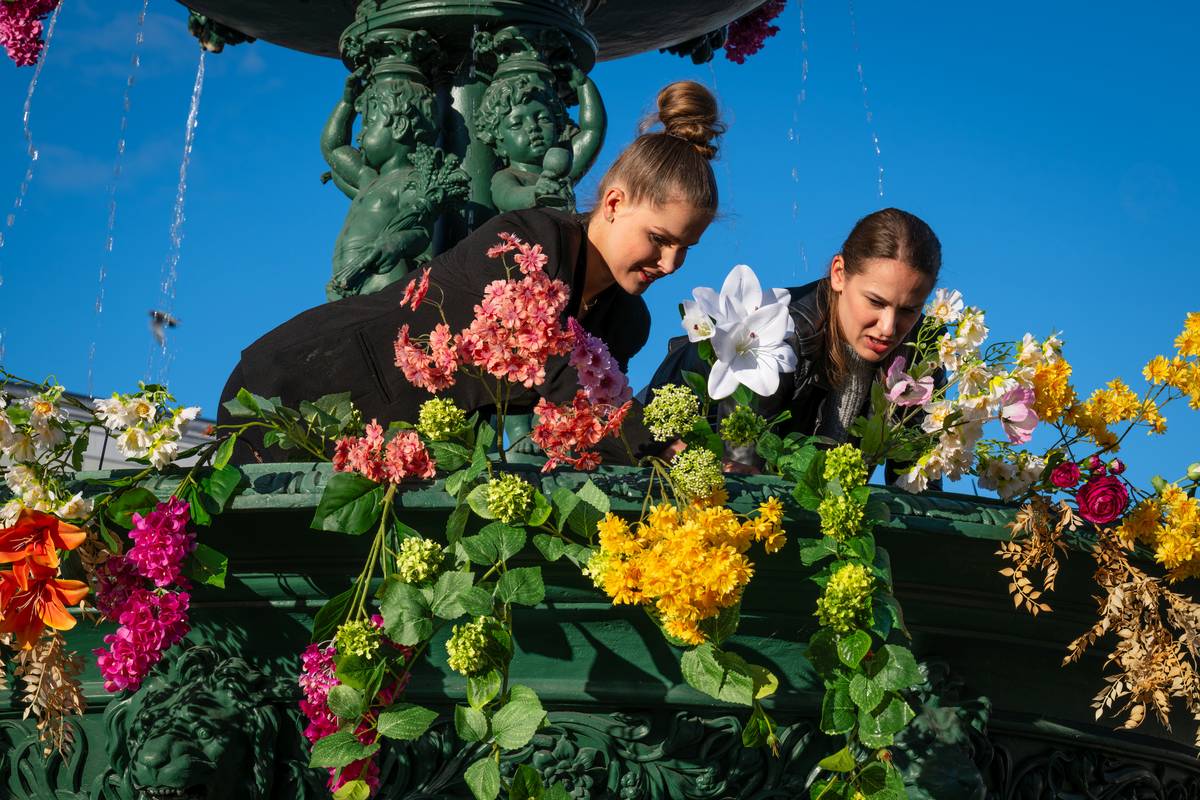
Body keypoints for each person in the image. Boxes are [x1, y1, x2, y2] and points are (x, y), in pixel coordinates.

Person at [219, 80, 724, 462]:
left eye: (686, 248)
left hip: (382, 452)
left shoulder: (626, 321)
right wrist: (664, 450)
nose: (670, 264)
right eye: (660, 239)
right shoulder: (529, 241)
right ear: (613, 203)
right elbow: (555, 368)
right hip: (292, 387)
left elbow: (581, 429)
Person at [637, 207, 943, 480]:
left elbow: (919, 482)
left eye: (909, 310)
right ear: (839, 274)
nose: (889, 327)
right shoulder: (780, 334)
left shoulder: (924, 356)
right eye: (875, 302)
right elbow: (744, 475)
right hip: (647, 441)